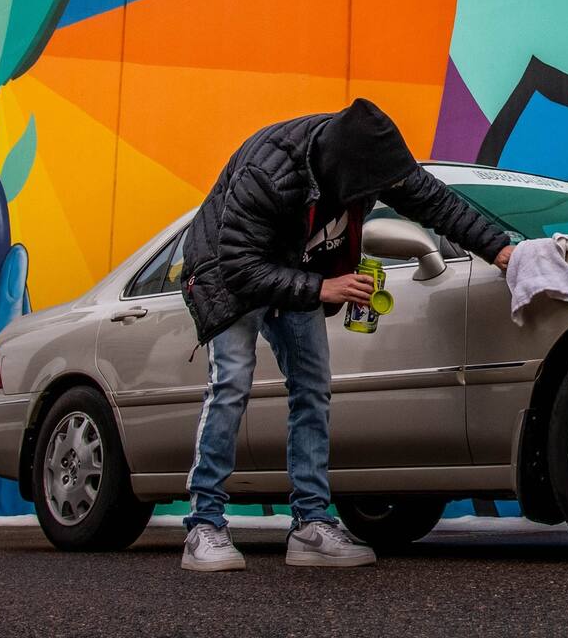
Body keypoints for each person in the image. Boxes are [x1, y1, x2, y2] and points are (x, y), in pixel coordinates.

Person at [177, 99, 514, 572]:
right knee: (232, 382)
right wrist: (323, 287)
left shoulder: (369, 155)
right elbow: (239, 266)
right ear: (341, 172)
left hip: (296, 267)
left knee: (313, 388)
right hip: (230, 271)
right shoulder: (268, 172)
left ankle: (310, 526)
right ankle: (204, 524)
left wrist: (501, 250)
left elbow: (437, 203)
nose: (373, 197)